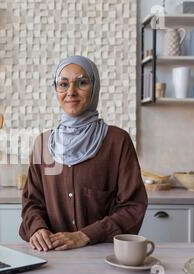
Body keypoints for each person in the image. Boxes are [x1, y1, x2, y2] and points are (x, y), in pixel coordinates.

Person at [19, 55, 148, 251]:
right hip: (52, 255)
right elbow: (32, 202)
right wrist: (37, 228)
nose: (71, 92)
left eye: (81, 83)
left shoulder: (117, 141)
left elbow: (133, 205)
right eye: (63, 84)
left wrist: (85, 235)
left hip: (103, 256)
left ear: (94, 88)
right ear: (56, 90)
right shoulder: (44, 143)